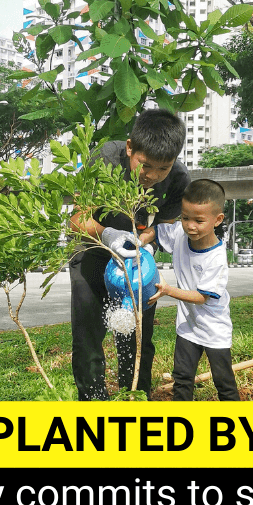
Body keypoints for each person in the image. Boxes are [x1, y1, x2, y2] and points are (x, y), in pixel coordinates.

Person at [68, 108, 190, 401]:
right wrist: (109, 235)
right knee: (88, 339)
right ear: (129, 148)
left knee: (136, 340)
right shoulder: (105, 159)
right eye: (145, 165)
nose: (153, 176)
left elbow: (163, 224)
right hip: (93, 253)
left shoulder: (178, 178)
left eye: (164, 168)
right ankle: (93, 405)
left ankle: (133, 403)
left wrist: (145, 240)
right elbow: (76, 220)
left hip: (135, 265)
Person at [152, 179, 237, 401]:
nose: (190, 226)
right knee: (181, 378)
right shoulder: (181, 235)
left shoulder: (216, 258)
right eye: (185, 217)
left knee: (223, 382)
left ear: (217, 220)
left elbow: (201, 297)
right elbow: (157, 232)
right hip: (187, 325)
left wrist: (168, 291)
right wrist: (141, 239)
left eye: (199, 220)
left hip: (214, 328)